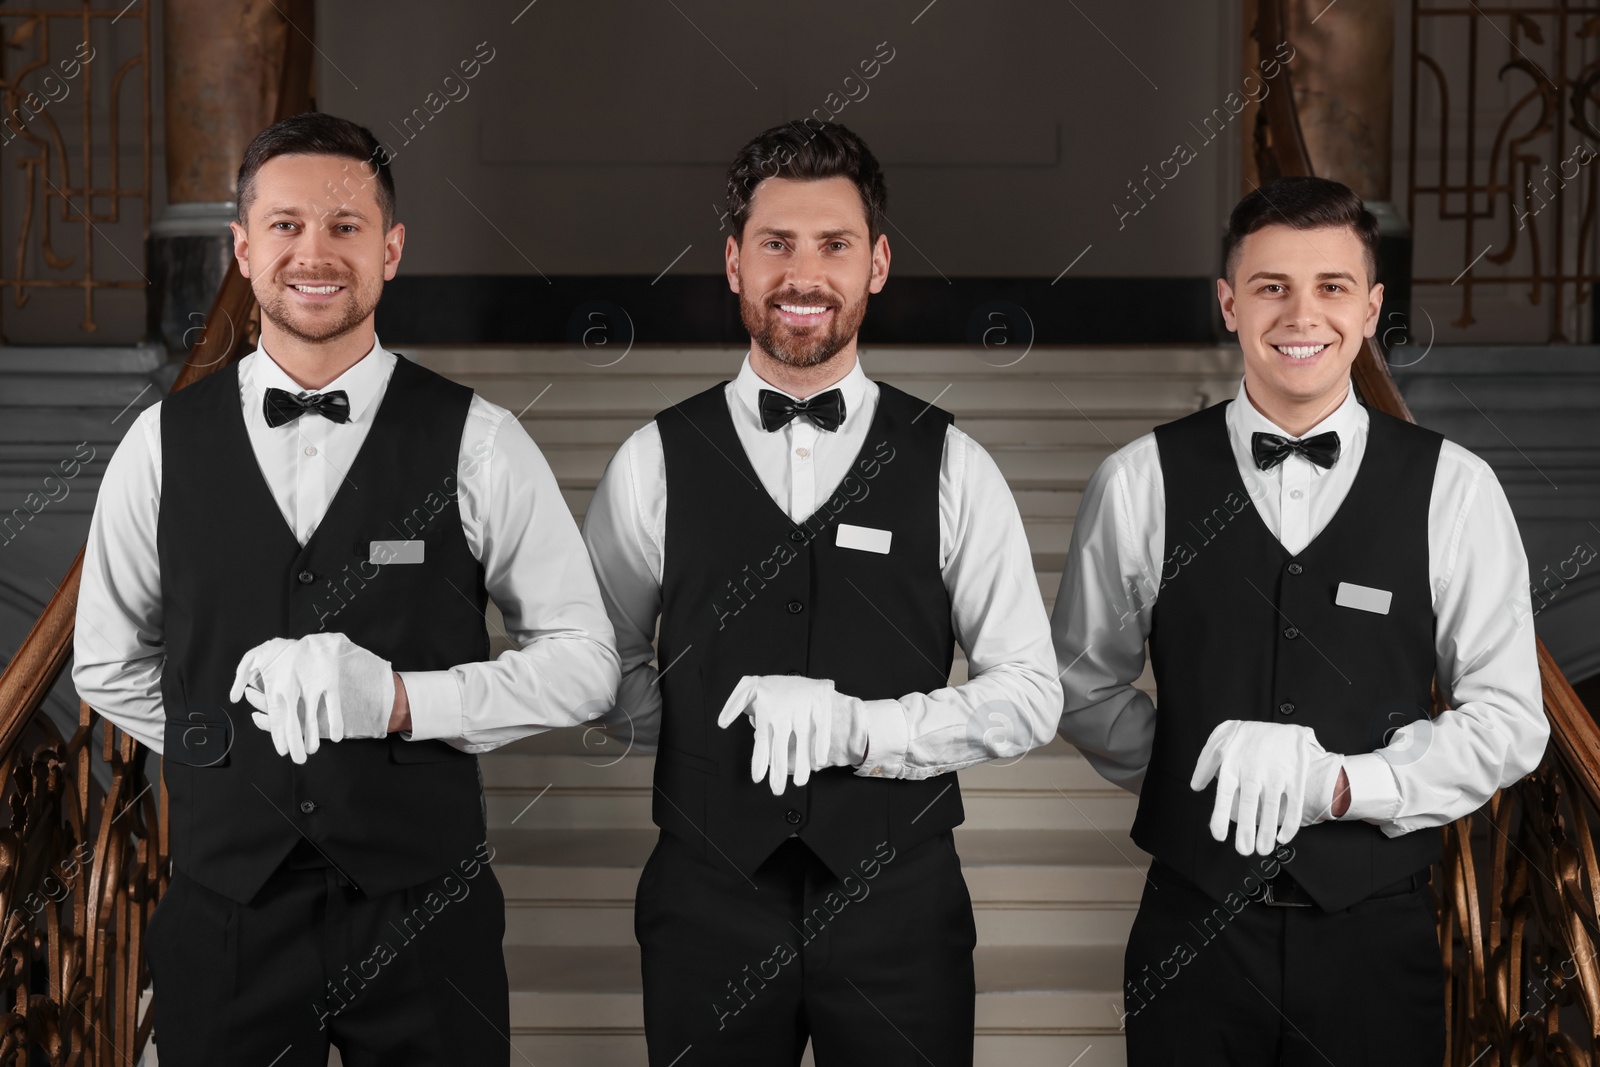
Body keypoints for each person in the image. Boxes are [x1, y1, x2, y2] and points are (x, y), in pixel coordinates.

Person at [72, 112, 620, 1065]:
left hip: (426, 915)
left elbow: (587, 665)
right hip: (225, 914)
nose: (314, 253)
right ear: (243, 250)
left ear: (392, 250)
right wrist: (231, 744)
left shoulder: (481, 440)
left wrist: (405, 701)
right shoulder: (159, 445)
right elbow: (107, 665)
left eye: (345, 225)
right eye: (284, 225)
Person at [581, 120, 1061, 1065]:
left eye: (834, 244)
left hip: (902, 906)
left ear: (877, 263)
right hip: (704, 903)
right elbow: (595, 666)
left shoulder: (952, 463)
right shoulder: (654, 461)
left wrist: (862, 732)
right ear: (733, 263)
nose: (804, 274)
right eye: (776, 244)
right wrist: (707, 739)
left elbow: (1031, 694)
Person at [1052, 175, 1549, 1064]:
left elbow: (1510, 720)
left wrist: (1345, 785)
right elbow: (1082, 686)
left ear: (1372, 309)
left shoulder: (1454, 487)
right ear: (1228, 303)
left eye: (1332, 287)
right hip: (1191, 935)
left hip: (1375, 941)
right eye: (1271, 286)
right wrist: (1202, 777)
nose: (1301, 313)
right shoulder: (1139, 480)